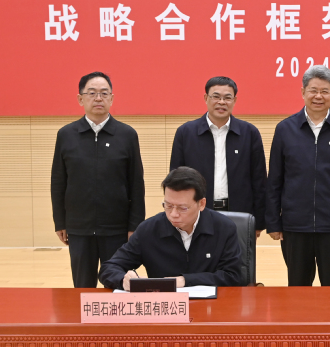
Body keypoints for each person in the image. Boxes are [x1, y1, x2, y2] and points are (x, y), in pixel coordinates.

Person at [265, 65, 330, 286]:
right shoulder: (285, 129)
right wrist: (273, 221)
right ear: (303, 92)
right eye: (313, 90)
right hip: (295, 226)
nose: (318, 96)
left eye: (324, 91)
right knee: (298, 287)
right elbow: (275, 180)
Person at [51, 72, 145, 288]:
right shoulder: (66, 135)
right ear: (80, 99)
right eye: (92, 93)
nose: (98, 98)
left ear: (112, 98)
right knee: (82, 286)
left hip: (117, 228)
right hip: (79, 227)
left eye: (104, 93)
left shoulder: (127, 135)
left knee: (116, 285)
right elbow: (58, 182)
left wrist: (135, 225)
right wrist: (60, 221)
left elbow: (136, 184)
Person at [99, 167, 242, 290]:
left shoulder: (224, 228)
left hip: (211, 308)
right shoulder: (149, 230)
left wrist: (185, 280)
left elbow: (233, 276)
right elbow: (108, 268)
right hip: (166, 308)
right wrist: (123, 279)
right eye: (168, 205)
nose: (173, 214)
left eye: (182, 208)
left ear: (201, 204)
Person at [169, 76, 267, 234]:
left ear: (234, 100)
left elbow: (259, 181)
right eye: (216, 96)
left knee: (237, 252)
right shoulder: (185, 133)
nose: (222, 102)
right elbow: (176, 180)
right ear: (205, 98)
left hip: (239, 214)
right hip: (197, 215)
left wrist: (258, 222)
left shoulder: (249, 133)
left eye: (227, 98)